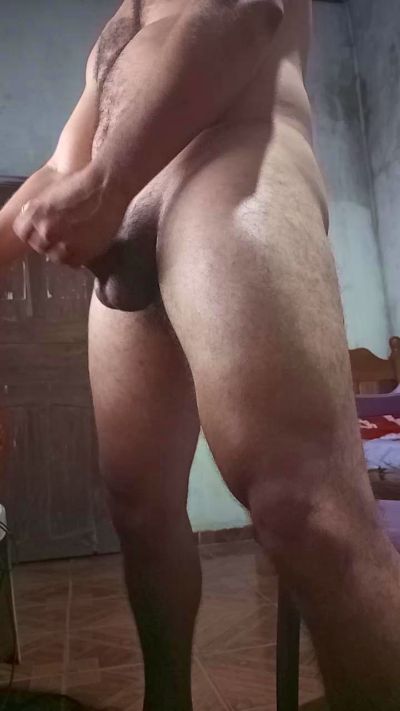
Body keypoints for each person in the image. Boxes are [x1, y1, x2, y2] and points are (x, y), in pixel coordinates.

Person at [1, 1, 400, 708]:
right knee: (139, 513)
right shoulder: (117, 26)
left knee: (304, 508)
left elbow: (248, 11)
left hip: (231, 164)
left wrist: (108, 182)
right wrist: (91, 188)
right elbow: (61, 164)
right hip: (123, 217)